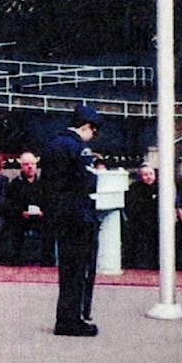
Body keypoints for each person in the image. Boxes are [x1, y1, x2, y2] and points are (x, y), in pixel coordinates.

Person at [40, 104, 102, 337]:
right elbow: (88, 182)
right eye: (93, 132)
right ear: (87, 127)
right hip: (79, 215)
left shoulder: (52, 144)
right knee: (80, 270)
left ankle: (64, 317)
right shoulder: (78, 148)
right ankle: (73, 319)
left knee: (66, 271)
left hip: (60, 215)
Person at [5, 151, 55, 267]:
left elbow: (50, 202)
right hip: (21, 216)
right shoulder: (15, 184)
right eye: (26, 164)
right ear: (21, 166)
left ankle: (47, 261)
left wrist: (43, 212)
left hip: (41, 216)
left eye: (32, 164)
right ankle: (16, 260)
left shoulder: (44, 184)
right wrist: (21, 212)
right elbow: (10, 204)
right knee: (14, 226)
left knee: (50, 225)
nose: (30, 167)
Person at [123, 162, 159, 270]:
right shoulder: (134, 188)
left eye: (150, 174)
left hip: (156, 224)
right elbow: (130, 206)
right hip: (139, 224)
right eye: (145, 174)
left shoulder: (160, 188)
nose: (149, 177)